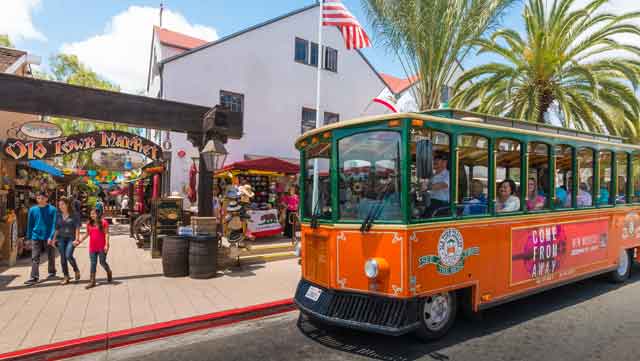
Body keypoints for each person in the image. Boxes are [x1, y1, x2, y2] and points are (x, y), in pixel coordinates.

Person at [24, 192, 58, 285]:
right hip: (36, 236)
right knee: (35, 257)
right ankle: (34, 277)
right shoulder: (32, 210)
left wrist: (51, 237)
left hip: (48, 237)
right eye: (38, 198)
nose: (40, 200)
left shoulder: (53, 210)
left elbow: (54, 225)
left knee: (51, 255)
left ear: (46, 198)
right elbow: (30, 224)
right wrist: (28, 238)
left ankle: (52, 271)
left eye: (42, 198)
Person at [75, 209, 112, 289]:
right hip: (92, 247)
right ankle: (92, 281)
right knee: (93, 263)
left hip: (102, 247)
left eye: (93, 214)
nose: (92, 215)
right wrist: (80, 241)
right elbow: (87, 234)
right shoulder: (89, 223)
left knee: (102, 262)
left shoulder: (104, 222)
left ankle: (109, 271)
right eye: (91, 214)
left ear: (98, 214)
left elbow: (106, 234)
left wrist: (107, 244)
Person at [53, 197, 81, 285]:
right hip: (61, 238)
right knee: (63, 258)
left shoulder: (74, 215)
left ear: (67, 204)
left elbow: (77, 227)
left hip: (71, 238)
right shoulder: (58, 215)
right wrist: (53, 239)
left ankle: (76, 270)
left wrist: (77, 239)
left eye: (62, 204)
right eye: (59, 205)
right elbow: (57, 228)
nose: (60, 206)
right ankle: (66, 276)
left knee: (68, 255)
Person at [425, 151, 450, 217]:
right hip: (430, 202)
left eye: (438, 158)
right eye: (434, 159)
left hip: (441, 205)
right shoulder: (432, 175)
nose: (435, 161)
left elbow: (443, 185)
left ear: (445, 162)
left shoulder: (448, 174)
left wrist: (427, 187)